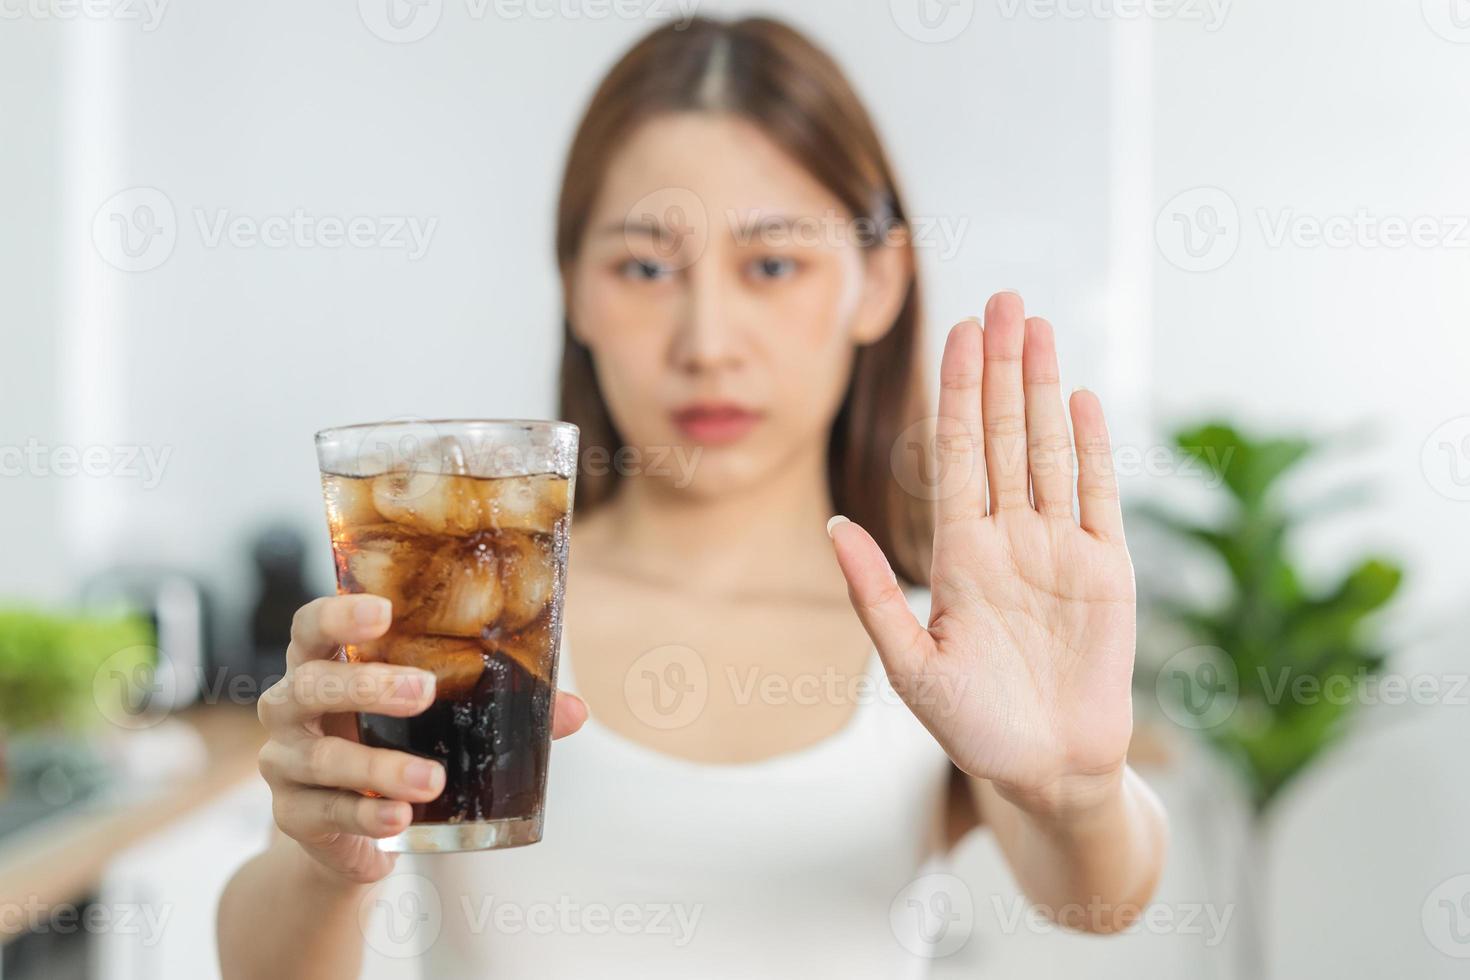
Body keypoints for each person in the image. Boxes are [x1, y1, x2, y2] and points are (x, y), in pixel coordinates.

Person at [219, 16, 1166, 978]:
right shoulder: (462, 623)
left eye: (772, 264)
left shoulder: (946, 643)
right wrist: (324, 861)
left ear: (878, 282)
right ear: (574, 290)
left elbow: (1097, 899)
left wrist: (1078, 787)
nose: (707, 340)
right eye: (643, 266)